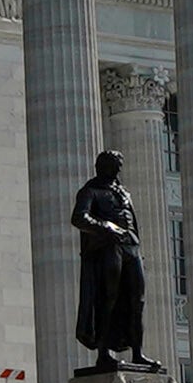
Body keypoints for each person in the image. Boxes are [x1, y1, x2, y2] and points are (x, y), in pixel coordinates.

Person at [69, 151, 152, 369]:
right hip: (108, 248)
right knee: (108, 299)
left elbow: (131, 219)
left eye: (119, 166)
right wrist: (106, 227)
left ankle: (138, 353)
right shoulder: (90, 191)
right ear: (102, 167)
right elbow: (79, 217)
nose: (117, 170)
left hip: (131, 246)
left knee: (137, 300)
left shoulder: (124, 193)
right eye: (113, 165)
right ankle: (103, 352)